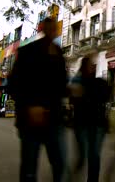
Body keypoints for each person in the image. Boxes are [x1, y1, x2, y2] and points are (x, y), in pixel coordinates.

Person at [8, 17, 68, 182]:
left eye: (55, 28)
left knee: (60, 164)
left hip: (54, 119)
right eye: (49, 27)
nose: (52, 31)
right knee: (29, 169)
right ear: (42, 29)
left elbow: (61, 85)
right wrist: (31, 105)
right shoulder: (28, 51)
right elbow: (14, 84)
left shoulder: (59, 52)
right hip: (30, 121)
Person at [69, 56, 111, 182]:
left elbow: (106, 95)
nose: (94, 66)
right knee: (82, 156)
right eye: (90, 64)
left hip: (97, 123)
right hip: (81, 123)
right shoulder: (77, 81)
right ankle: (71, 176)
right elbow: (73, 98)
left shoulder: (99, 82)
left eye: (94, 64)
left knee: (94, 155)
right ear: (84, 66)